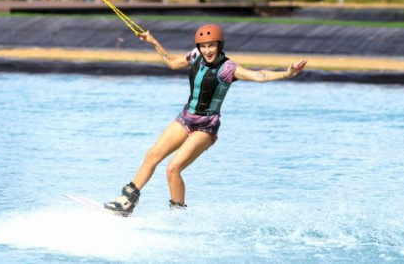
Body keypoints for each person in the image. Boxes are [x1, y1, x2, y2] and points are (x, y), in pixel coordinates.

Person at [104, 24, 308, 215]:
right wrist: (153, 42)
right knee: (152, 156)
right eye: (203, 47)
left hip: (206, 127)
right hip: (185, 118)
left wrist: (285, 74)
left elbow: (258, 75)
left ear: (219, 46)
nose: (207, 51)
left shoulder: (228, 68)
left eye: (211, 46)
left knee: (173, 169)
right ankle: (126, 202)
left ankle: (178, 216)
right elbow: (173, 63)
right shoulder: (195, 56)